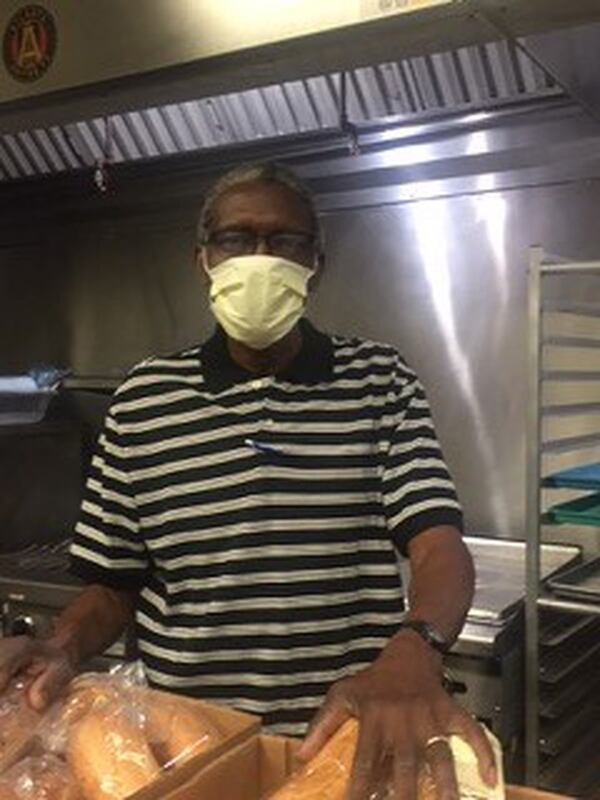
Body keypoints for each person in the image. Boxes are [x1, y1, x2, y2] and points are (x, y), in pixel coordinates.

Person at [0, 162, 496, 800]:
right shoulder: (144, 398)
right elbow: (113, 583)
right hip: (187, 749)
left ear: (316, 263)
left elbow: (437, 544)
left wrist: (417, 647)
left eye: (285, 241)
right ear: (203, 259)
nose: (260, 259)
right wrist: (62, 645)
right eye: (236, 239)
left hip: (341, 746)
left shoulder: (380, 381)